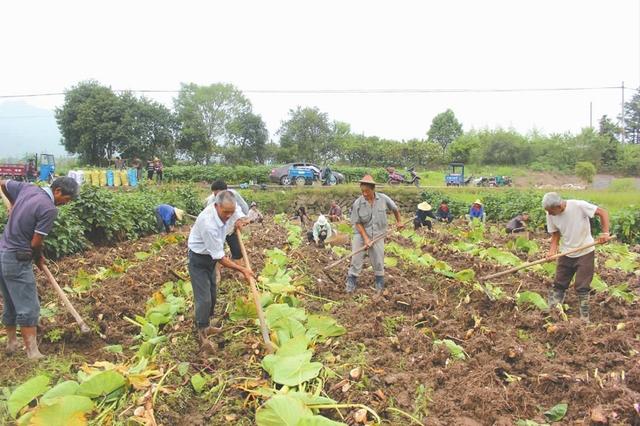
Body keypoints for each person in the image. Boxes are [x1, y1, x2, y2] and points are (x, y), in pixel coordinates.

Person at [0, 177, 79, 359]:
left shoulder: (27, 188)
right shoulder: (48, 209)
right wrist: (38, 256)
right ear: (57, 191)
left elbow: (3, 183)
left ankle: (12, 343)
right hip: (17, 258)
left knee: (11, 302)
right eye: (66, 200)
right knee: (29, 305)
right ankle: (32, 352)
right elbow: (36, 242)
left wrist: (13, 204)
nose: (64, 204)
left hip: (2, 252)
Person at [187, 190, 254, 353]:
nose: (228, 216)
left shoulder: (231, 209)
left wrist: (240, 221)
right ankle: (201, 332)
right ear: (216, 206)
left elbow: (239, 215)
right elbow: (220, 258)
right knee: (204, 299)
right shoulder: (208, 223)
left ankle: (207, 324)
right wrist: (242, 269)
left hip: (211, 257)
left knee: (213, 293)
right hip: (199, 259)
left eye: (231, 212)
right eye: (225, 213)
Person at [543, 192, 610, 322]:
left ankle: (584, 318)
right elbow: (555, 234)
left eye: (551, 211)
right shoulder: (550, 214)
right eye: (548, 212)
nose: (549, 214)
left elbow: (602, 212)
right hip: (566, 252)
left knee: (582, 286)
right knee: (559, 283)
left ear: (559, 206)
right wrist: (552, 250)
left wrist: (605, 233)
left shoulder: (578, 206)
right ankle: (553, 312)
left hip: (585, 250)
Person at [346, 175, 403, 292]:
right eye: (362, 191)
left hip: (378, 234)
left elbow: (395, 209)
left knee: (378, 259)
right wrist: (366, 238)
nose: (364, 194)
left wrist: (399, 222)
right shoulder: (358, 203)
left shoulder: (383, 199)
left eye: (367, 191)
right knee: (356, 258)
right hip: (360, 234)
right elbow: (357, 222)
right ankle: (351, 282)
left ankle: (379, 284)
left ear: (373, 189)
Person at [205, 180, 250, 264]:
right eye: (215, 194)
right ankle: (217, 275)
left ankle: (239, 271)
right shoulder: (211, 201)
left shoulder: (233, 196)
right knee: (217, 253)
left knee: (237, 250)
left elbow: (243, 208)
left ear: (226, 191)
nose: (217, 197)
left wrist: (240, 220)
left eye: (219, 194)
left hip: (230, 228)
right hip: (217, 230)